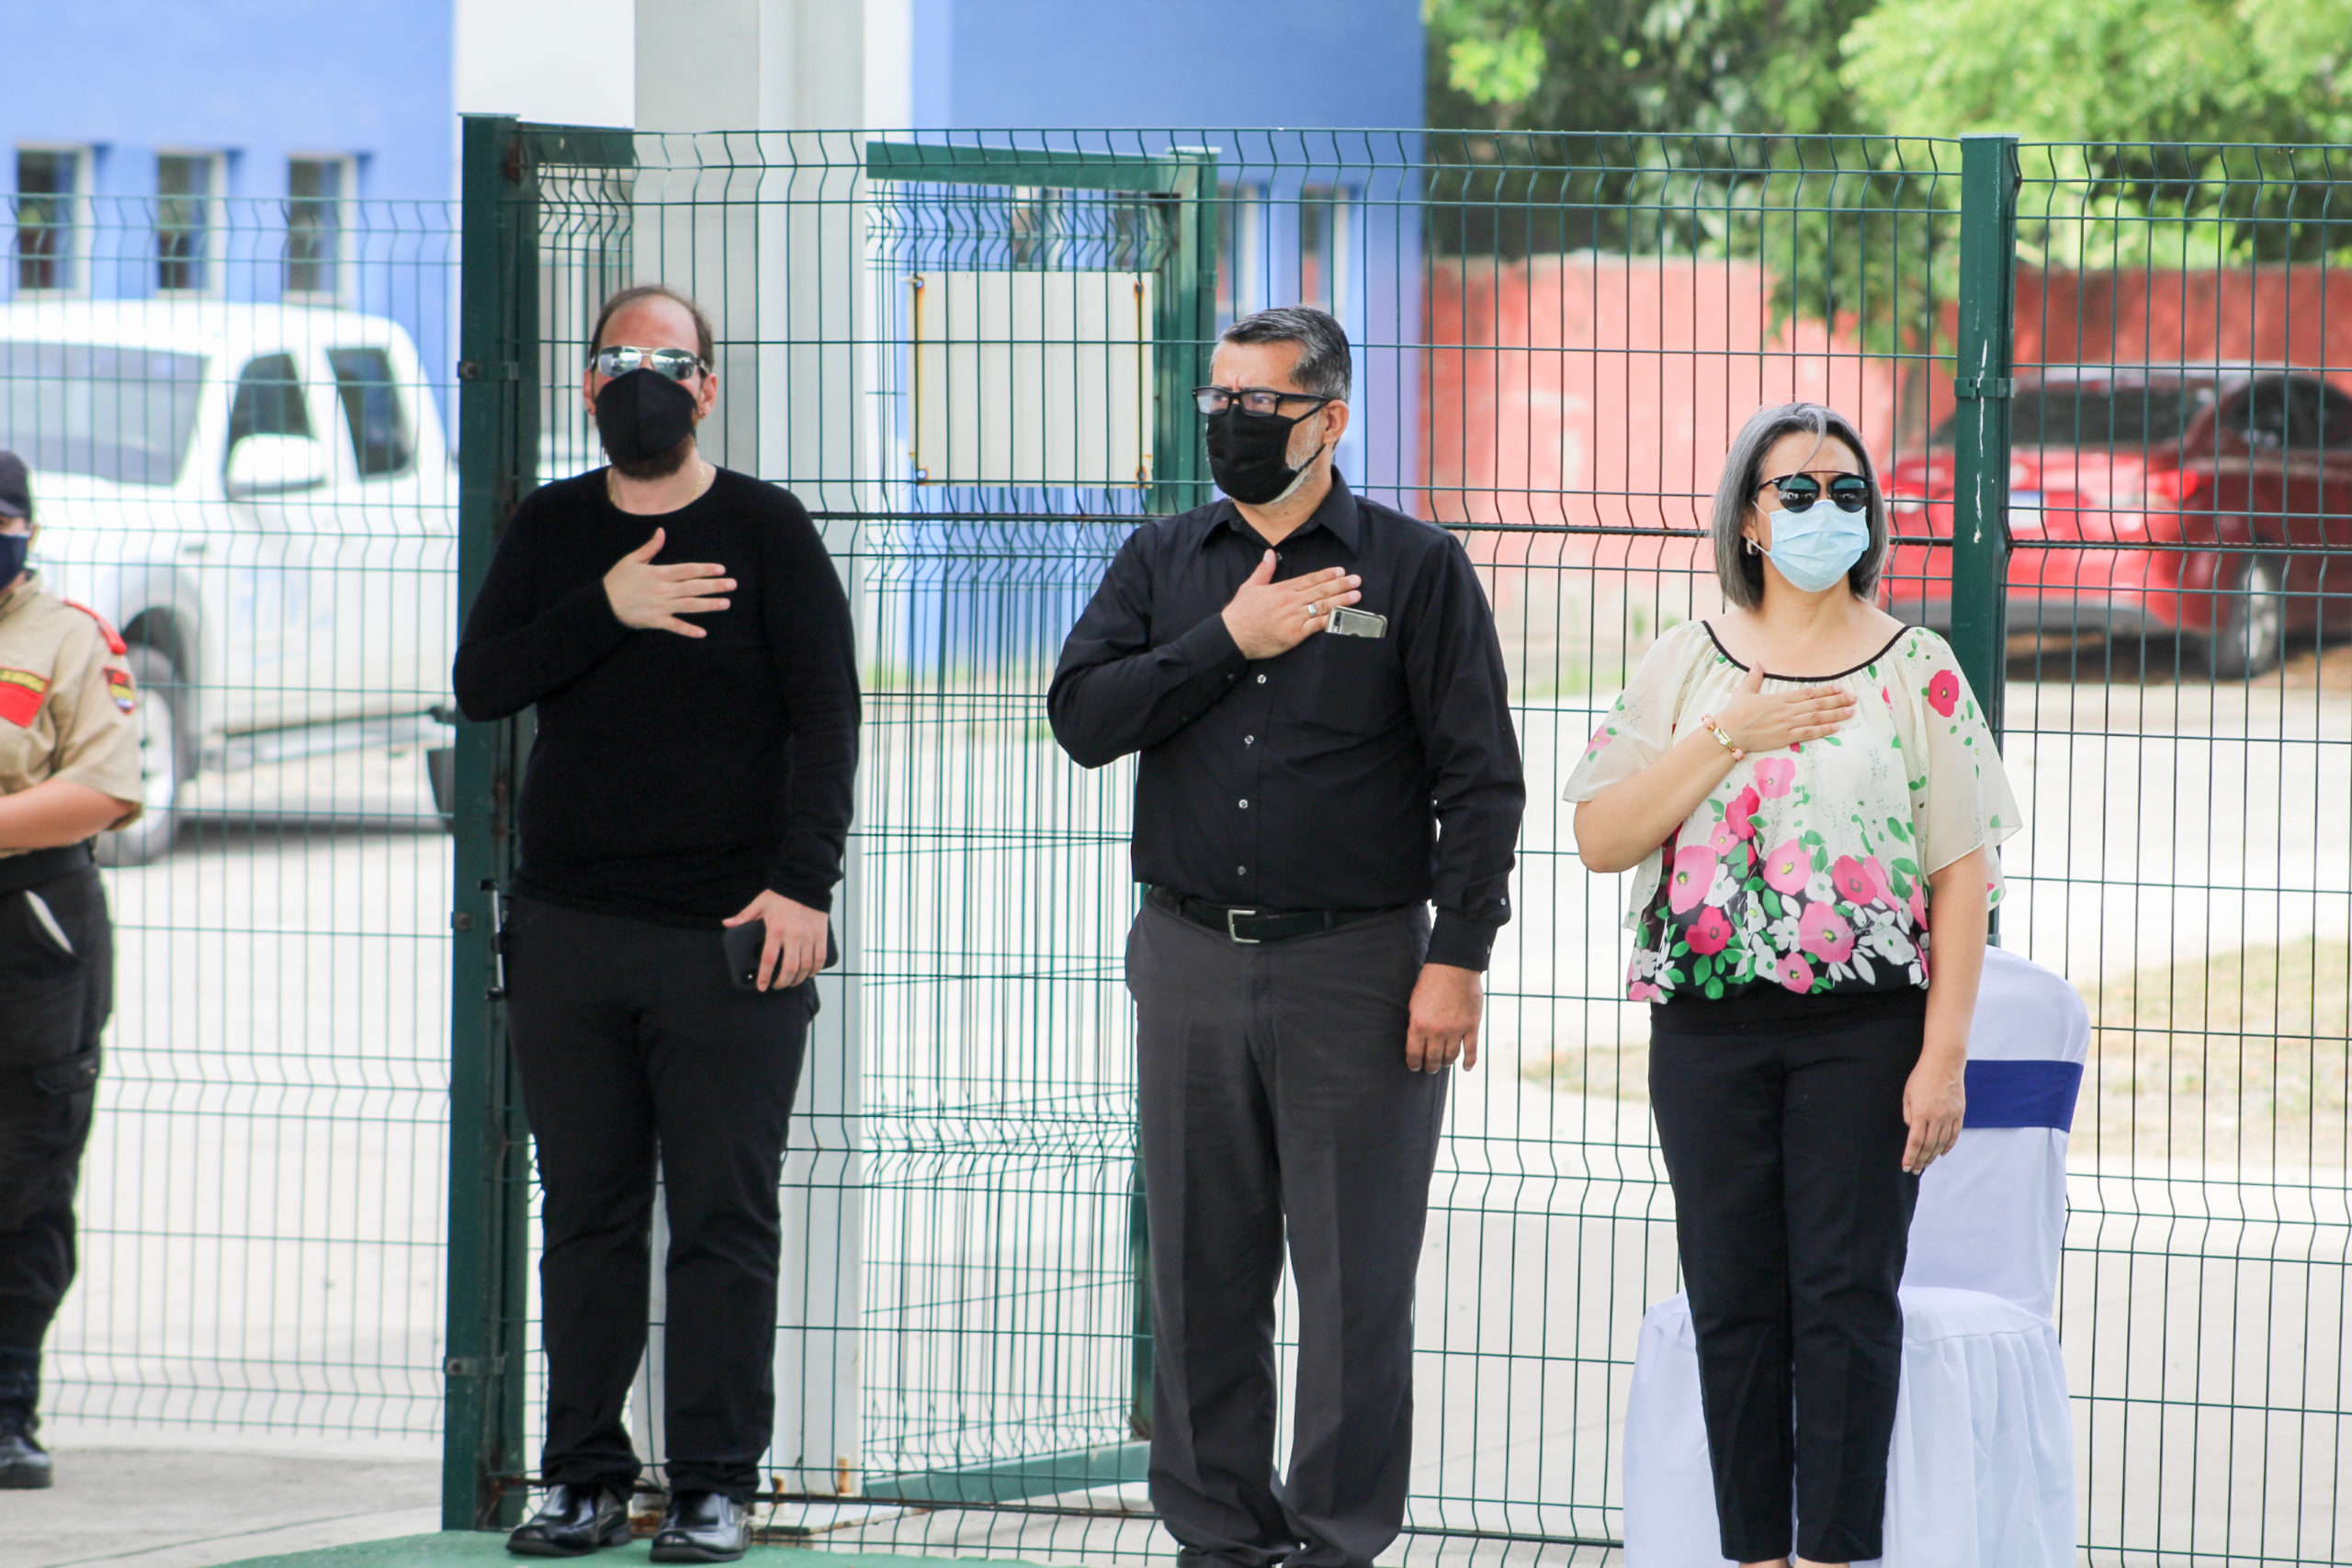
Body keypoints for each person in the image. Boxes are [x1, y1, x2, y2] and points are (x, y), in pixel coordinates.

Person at [1050, 306, 1524, 1568]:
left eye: (1261, 403)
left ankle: (1334, 1537)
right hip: (1190, 956)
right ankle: (1218, 1532)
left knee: (1355, 1282)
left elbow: (1482, 781)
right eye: (1219, 399)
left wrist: (1457, 957)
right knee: (1199, 1274)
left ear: (1331, 418)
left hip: (1359, 969)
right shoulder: (1162, 559)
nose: (1233, 423)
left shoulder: (1415, 568)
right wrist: (1226, 640)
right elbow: (1083, 716)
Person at [1565, 401, 2020, 1568]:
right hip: (1705, 1032)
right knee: (1732, 1300)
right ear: (1749, 520)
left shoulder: (1919, 668)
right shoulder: (1683, 661)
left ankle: (1830, 1555)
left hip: (1867, 1032)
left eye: (1848, 491)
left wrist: (1942, 1056)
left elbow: (1961, 875)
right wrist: (1729, 734)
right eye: (1798, 490)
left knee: (1845, 1297)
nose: (1827, 510)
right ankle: (1755, 1554)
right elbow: (1603, 836)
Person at [453, 286, 860, 1562]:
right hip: (570, 929)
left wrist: (805, 884)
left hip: (729, 937)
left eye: (669, 362)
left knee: (723, 1219)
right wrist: (608, 605)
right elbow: (482, 682)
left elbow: (830, 716)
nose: (644, 380)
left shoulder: (766, 527)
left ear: (708, 389)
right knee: (586, 1211)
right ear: (586, 386)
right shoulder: (552, 525)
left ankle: (713, 1484)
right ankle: (581, 1476)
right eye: (618, 359)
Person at [0, 449, 144, 1490]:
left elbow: (105, 789)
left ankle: (8, 1405)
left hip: (29, 925)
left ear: (28, 532)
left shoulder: (68, 637)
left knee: (24, 1173)